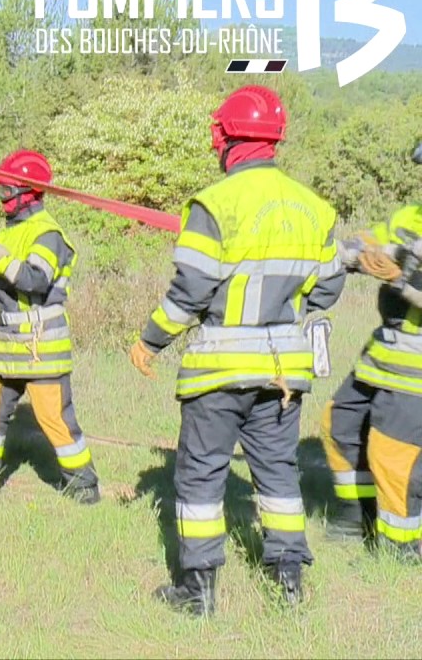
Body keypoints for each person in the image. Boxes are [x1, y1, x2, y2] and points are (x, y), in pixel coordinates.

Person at [129, 85, 346, 617]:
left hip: (220, 372)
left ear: (225, 138)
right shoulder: (314, 208)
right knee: (278, 473)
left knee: (202, 474)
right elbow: (328, 290)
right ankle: (288, 582)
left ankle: (197, 592)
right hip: (285, 376)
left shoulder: (213, 205)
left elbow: (190, 294)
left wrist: (149, 341)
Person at [0, 150, 100, 504]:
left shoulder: (48, 234)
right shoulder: (12, 233)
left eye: (6, 191)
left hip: (42, 348)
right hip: (7, 344)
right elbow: (2, 285)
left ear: (28, 193)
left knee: (54, 420)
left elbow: (33, 281)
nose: (2, 199)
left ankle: (84, 488)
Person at [320, 142, 422, 560]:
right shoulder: (411, 216)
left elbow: (402, 270)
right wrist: (342, 250)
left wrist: (402, 277)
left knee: (393, 458)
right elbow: (371, 242)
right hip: (385, 356)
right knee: (338, 425)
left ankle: (401, 550)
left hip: (415, 369)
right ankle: (356, 518)